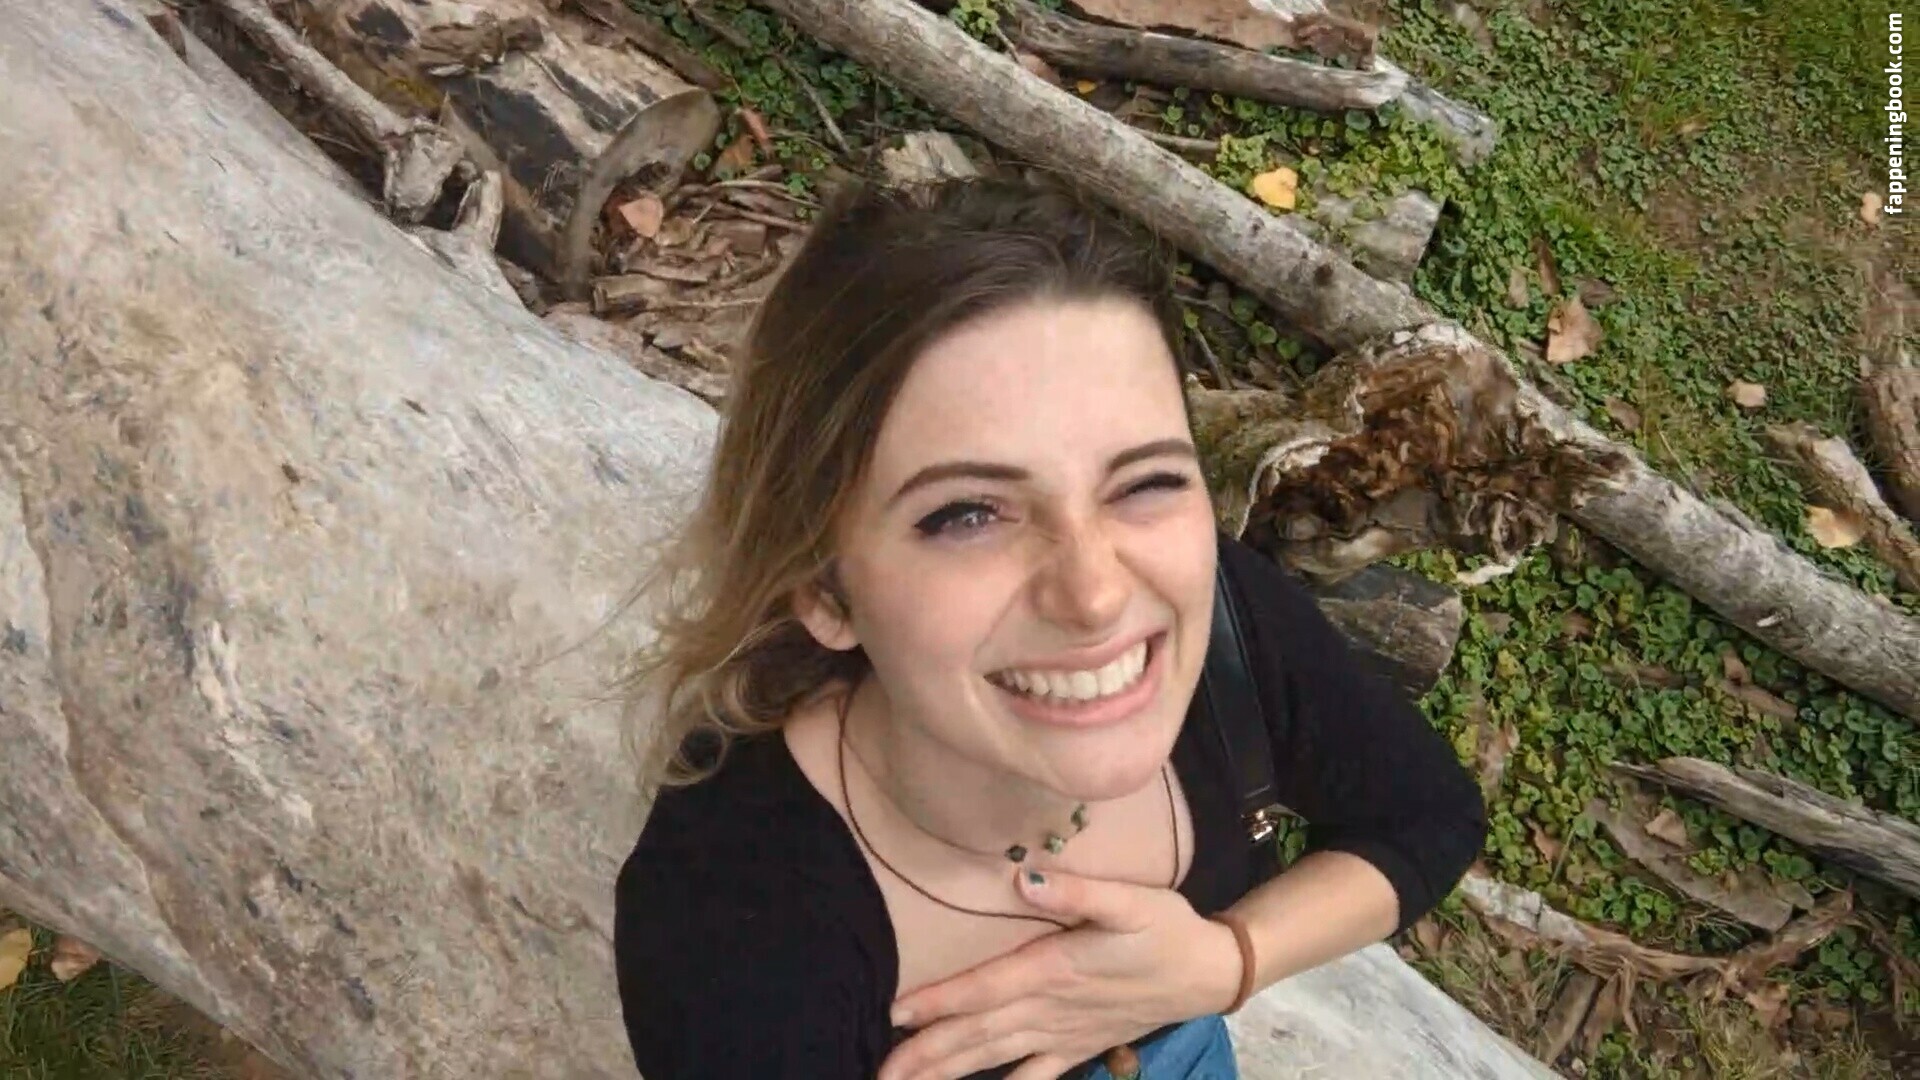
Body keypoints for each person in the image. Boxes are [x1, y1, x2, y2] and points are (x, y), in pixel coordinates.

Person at [613, 174, 1485, 1080]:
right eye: (967, 514)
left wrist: (1220, 963)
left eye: (1144, 482)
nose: (1096, 596)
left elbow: (1428, 817)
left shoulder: (1228, 626)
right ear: (825, 590)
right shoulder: (727, 940)